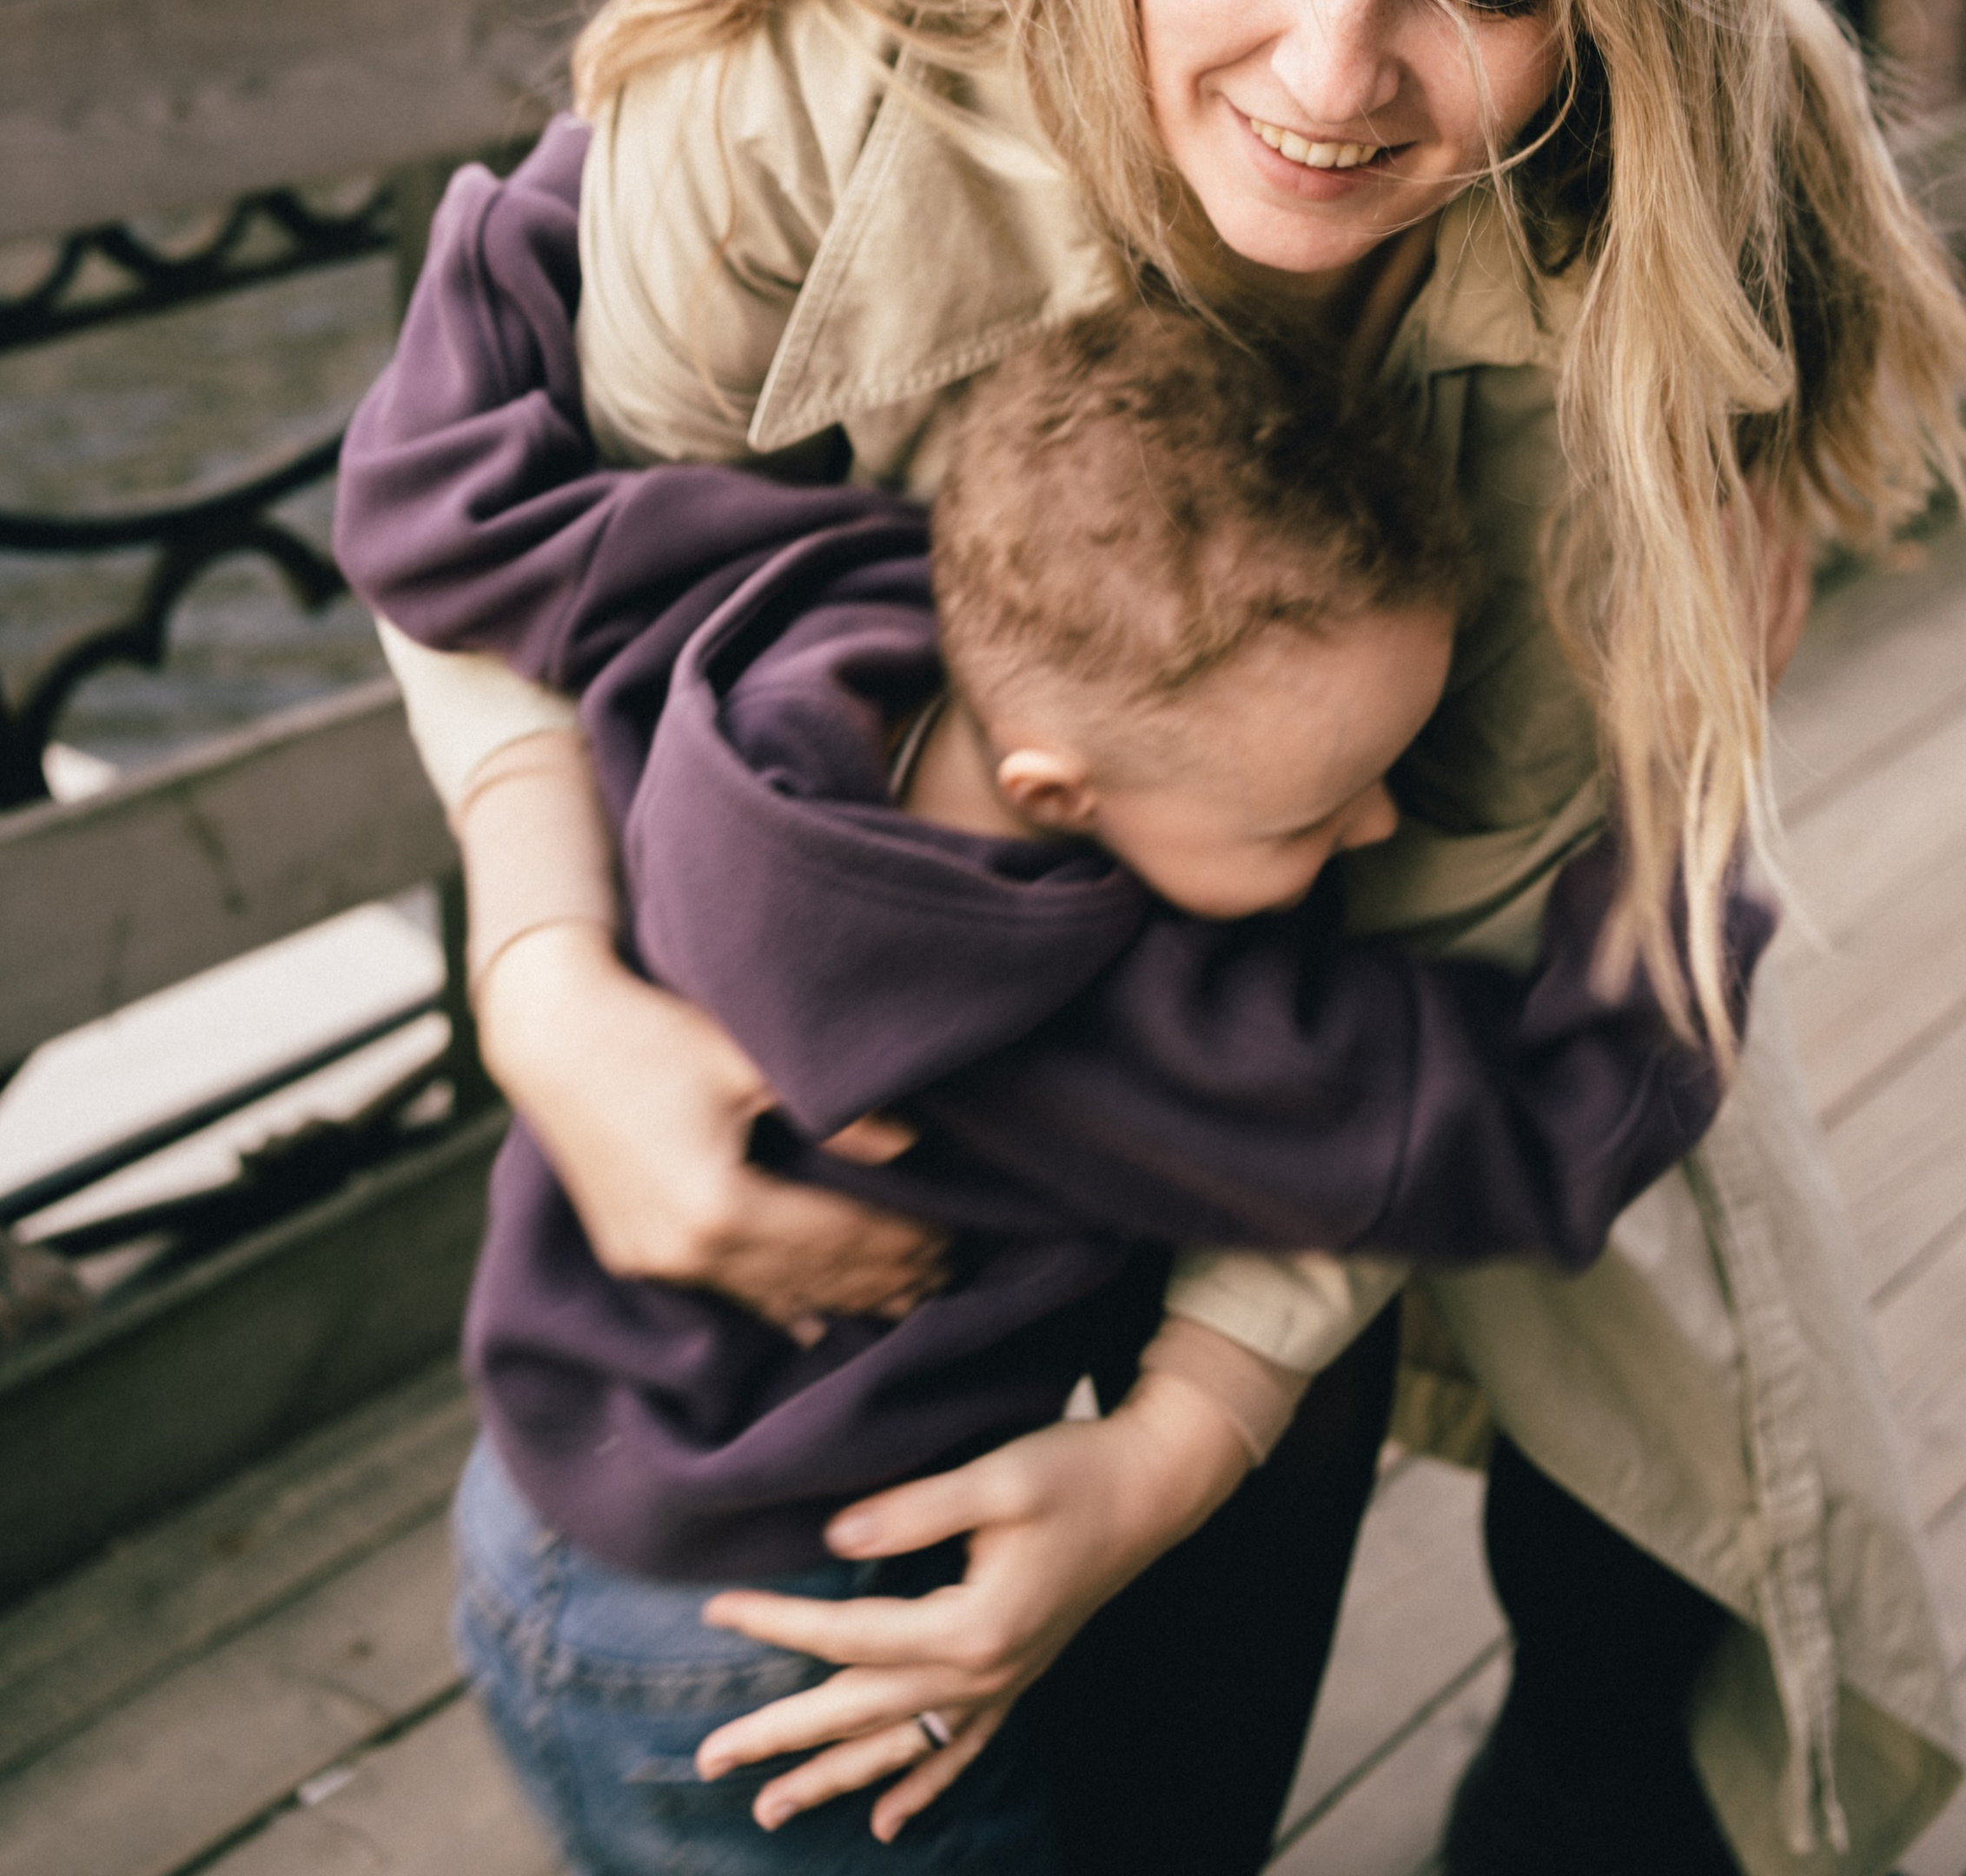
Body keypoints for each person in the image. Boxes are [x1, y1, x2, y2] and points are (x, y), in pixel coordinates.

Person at [362, 0, 1966, 1876]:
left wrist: (1184, 1437)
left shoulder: (1650, 270)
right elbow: (509, 518)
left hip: (1365, 1043)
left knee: (1615, 1585)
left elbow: (1468, 949)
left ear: (1614, 6)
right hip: (937, 1212)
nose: (1332, 80)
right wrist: (543, 977)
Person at [338, 161, 1768, 1873]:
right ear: (1056, 789)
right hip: (792, 1644)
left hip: (536, 1517)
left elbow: (452, 469)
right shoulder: (1089, 1020)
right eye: (1306, 820)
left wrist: (596, 172)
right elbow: (1535, 1125)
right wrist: (1690, 774)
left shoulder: (776, 606)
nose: (1371, 833)